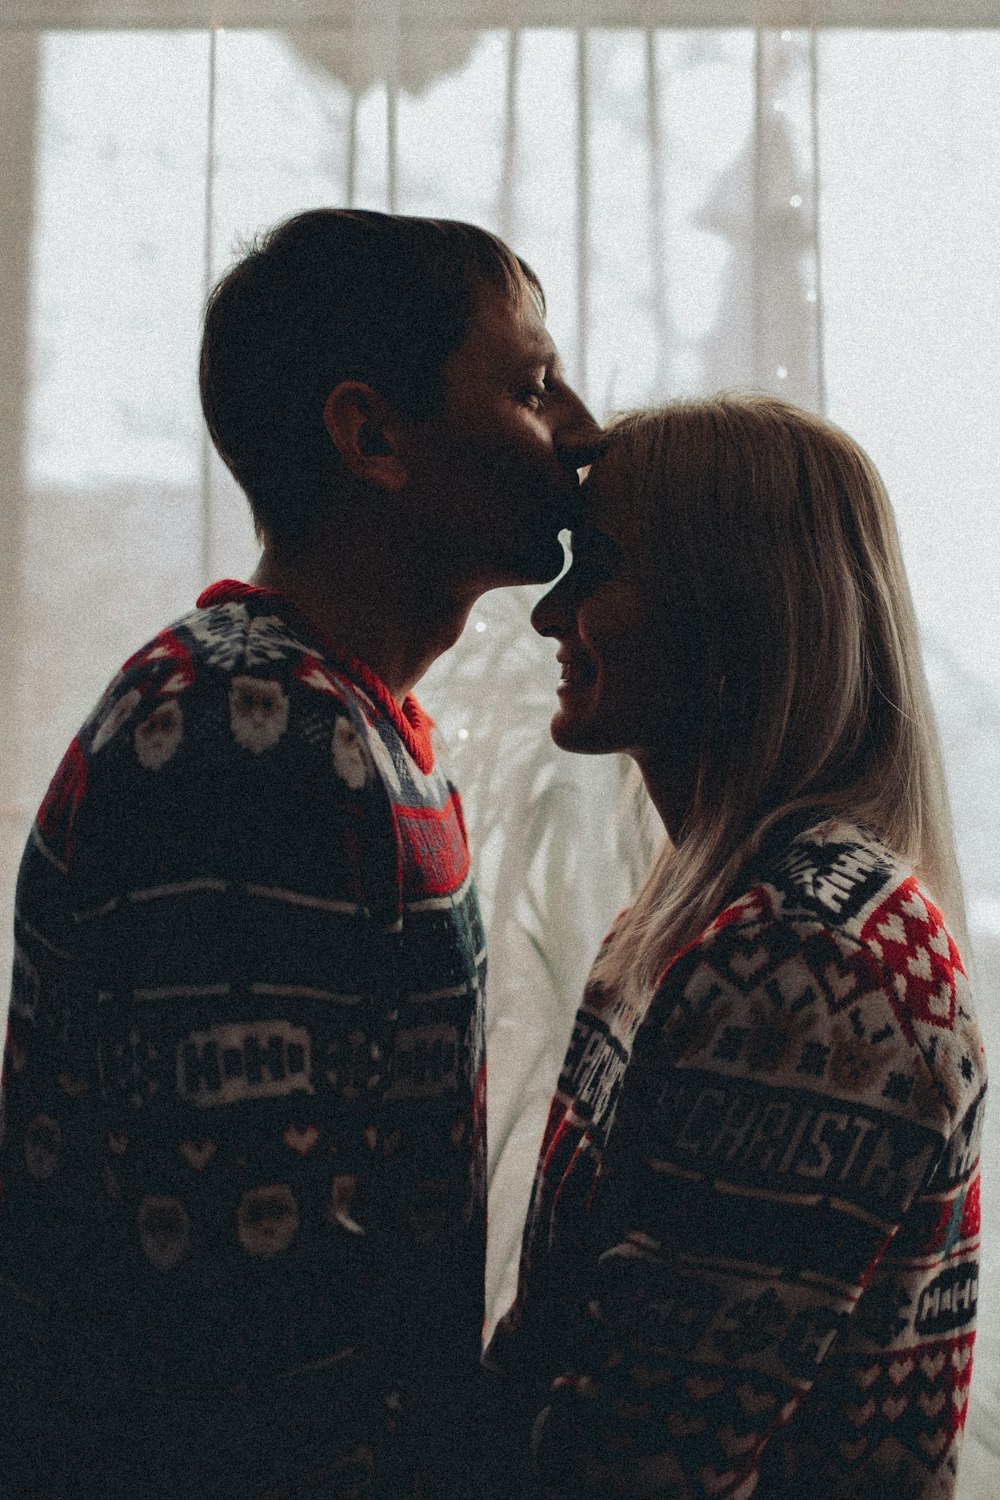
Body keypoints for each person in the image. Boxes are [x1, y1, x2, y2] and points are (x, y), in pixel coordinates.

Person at [0, 208, 600, 1499]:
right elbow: (237, 1337)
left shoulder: (334, 723)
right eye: (533, 384)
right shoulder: (244, 750)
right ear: (372, 437)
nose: (585, 432)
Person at [486, 395, 986, 1499]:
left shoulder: (808, 963)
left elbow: (642, 1463)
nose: (547, 613)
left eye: (598, 566)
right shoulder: (708, 914)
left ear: (734, 610)